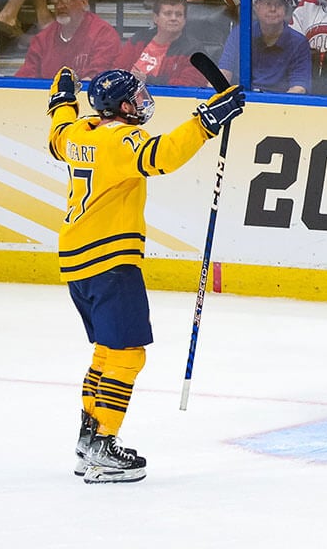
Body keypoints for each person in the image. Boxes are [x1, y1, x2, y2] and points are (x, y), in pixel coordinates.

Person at [47, 65, 245, 482]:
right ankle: (103, 446)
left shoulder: (78, 133)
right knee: (127, 353)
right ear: (120, 106)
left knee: (106, 351)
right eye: (135, 97)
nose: (142, 102)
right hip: (111, 259)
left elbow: (57, 127)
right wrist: (206, 121)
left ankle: (89, 440)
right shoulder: (121, 138)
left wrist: (62, 96)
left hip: (75, 259)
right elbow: (162, 156)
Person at [15, 0, 121, 80]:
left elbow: (98, 80)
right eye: (55, 1)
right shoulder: (42, 39)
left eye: (66, 0)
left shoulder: (103, 34)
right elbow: (25, 79)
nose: (59, 6)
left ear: (83, 2)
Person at [219, 0, 311, 94]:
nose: (273, 9)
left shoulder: (299, 43)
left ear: (286, 9)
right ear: (256, 6)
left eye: (278, 4)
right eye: (268, 3)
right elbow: (223, 73)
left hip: (280, 106)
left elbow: (298, 88)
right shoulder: (240, 34)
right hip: (243, 102)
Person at [115, 0, 207, 87]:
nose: (173, 18)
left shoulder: (194, 50)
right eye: (168, 13)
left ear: (185, 19)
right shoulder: (139, 39)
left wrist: (148, 80)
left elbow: (190, 85)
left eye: (179, 14)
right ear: (155, 18)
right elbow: (117, 70)